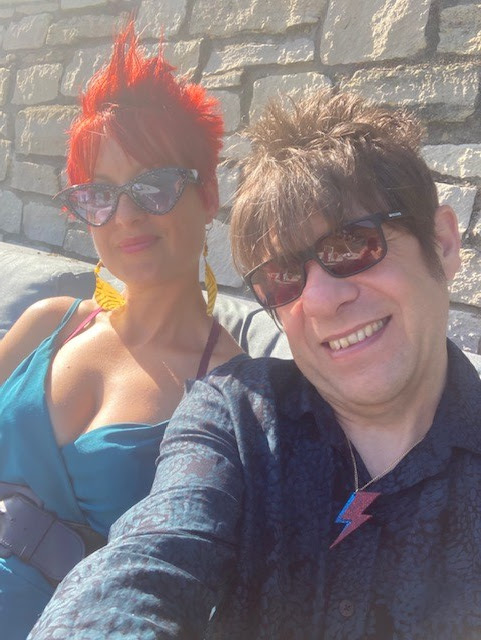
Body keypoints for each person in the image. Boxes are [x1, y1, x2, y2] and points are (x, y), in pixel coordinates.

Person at [29, 90, 481, 640]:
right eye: (283, 277)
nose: (320, 300)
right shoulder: (237, 413)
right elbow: (151, 556)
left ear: (443, 242)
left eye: (352, 245)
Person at [0, 22, 242, 640]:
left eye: (154, 186)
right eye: (99, 194)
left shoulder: (231, 390)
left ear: (208, 195)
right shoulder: (50, 322)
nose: (125, 214)